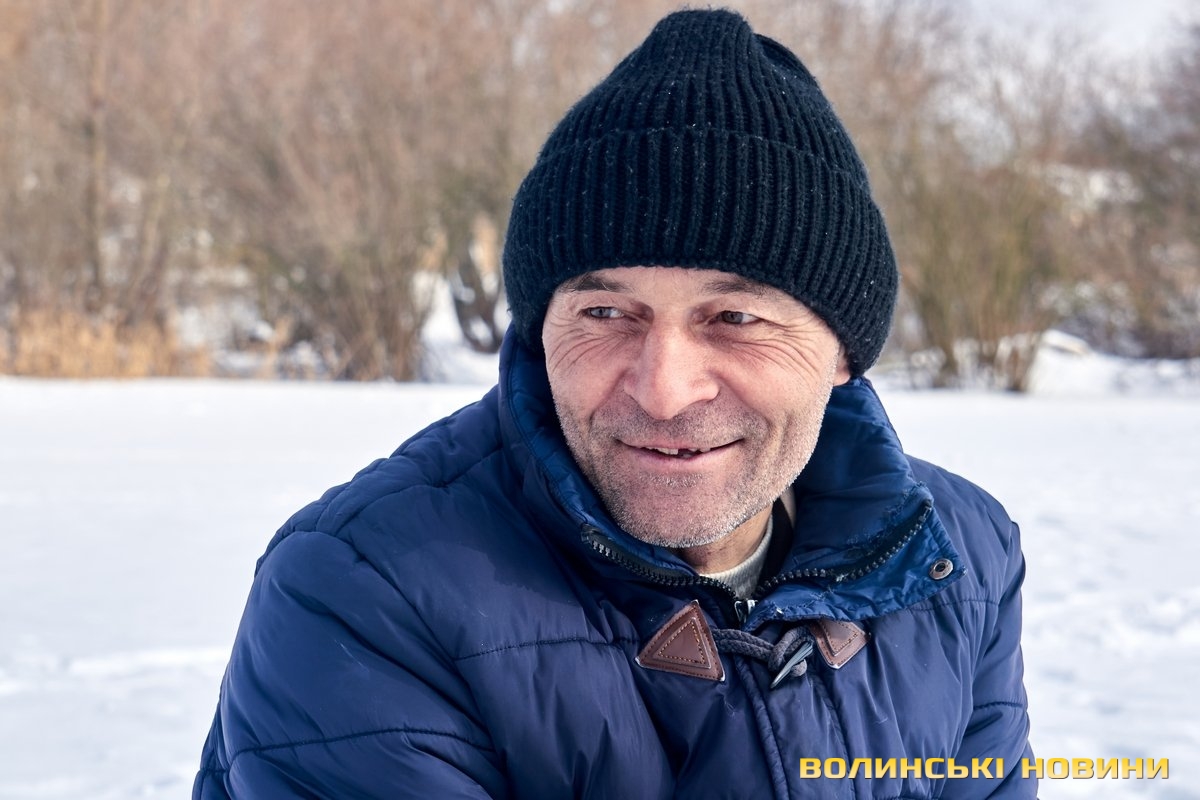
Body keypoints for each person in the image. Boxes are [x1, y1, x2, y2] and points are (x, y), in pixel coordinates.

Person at [194, 8, 1035, 798]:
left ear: (844, 352)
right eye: (604, 313)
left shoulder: (957, 558)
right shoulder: (368, 590)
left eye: (735, 318)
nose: (664, 390)